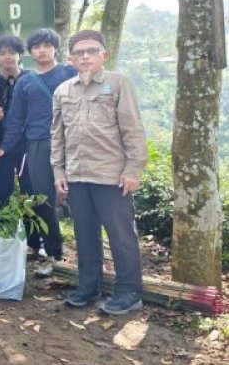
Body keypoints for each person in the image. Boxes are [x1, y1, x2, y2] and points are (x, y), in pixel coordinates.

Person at [52, 30, 147, 315]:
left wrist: (133, 169)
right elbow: (57, 135)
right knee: (84, 234)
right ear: (71, 59)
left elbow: (133, 129)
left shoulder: (118, 83)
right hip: (77, 175)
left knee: (121, 236)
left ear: (103, 55)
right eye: (79, 52)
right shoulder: (63, 90)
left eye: (91, 51)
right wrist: (59, 171)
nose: (85, 56)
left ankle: (129, 292)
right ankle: (88, 286)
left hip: (111, 176)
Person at [0, 28, 77, 277]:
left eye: (46, 46)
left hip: (74, 142)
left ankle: (89, 259)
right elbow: (16, 120)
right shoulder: (25, 82)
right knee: (43, 200)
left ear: (55, 48)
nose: (41, 50)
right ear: (30, 52)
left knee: (83, 199)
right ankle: (53, 255)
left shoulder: (68, 73)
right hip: (39, 144)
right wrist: (4, 147)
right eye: (36, 47)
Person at [0, 36, 32, 205]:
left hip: (26, 144)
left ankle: (32, 223)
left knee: (30, 192)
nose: (7, 57)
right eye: (2, 53)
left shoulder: (31, 79)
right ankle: (1, 221)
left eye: (12, 52)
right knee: (1, 192)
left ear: (20, 55)